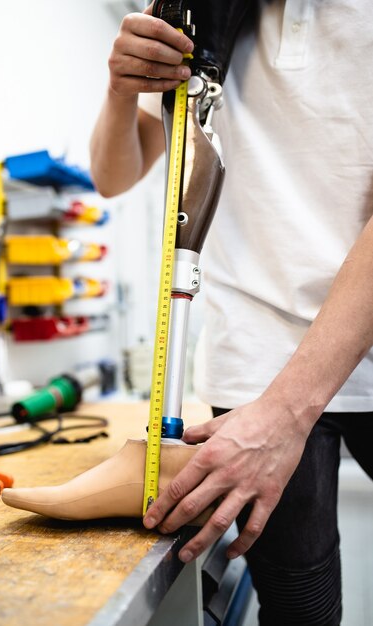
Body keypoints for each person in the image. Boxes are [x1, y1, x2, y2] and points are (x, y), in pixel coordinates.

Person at [90, 1, 373, 624]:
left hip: (333, 349)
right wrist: (120, 89)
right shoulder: (193, 6)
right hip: (254, 358)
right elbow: (115, 175)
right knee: (302, 612)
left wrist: (286, 411)